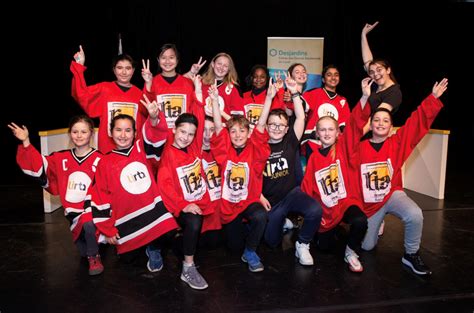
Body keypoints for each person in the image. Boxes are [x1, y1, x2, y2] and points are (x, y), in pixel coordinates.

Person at [357, 78, 448, 276]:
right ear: (370, 125)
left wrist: (432, 98)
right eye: (377, 120)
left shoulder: (397, 143)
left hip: (392, 194)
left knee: (414, 214)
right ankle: (378, 221)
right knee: (366, 247)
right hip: (370, 203)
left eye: (386, 121)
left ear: (391, 127)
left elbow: (416, 123)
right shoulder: (359, 149)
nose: (381, 123)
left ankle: (411, 254)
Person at [87, 97, 178, 272]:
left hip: (152, 212)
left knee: (168, 231)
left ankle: (153, 248)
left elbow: (155, 137)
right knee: (128, 259)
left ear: (135, 133)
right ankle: (142, 244)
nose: (123, 135)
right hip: (126, 219)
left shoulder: (141, 148)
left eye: (128, 130)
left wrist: (153, 118)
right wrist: (108, 228)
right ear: (110, 132)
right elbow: (100, 196)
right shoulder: (104, 162)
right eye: (118, 130)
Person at [9, 116, 104, 276]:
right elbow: (40, 166)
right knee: (82, 250)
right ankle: (90, 242)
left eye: (83, 132)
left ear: (91, 134)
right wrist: (26, 142)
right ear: (69, 134)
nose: (79, 135)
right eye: (75, 132)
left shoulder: (100, 159)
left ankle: (94, 256)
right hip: (73, 214)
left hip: (92, 210)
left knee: (89, 225)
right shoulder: (61, 158)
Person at [301, 78, 372, 272]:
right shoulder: (314, 158)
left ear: (337, 132)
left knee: (359, 221)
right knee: (324, 247)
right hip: (326, 209)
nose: (326, 133)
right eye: (322, 130)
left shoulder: (344, 147)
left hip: (345, 202)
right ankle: (328, 231)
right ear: (316, 133)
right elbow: (308, 188)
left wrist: (365, 97)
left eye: (330, 129)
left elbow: (356, 123)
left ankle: (351, 251)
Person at [156, 76, 215, 289]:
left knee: (211, 237)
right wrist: (184, 205)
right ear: (174, 130)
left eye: (190, 134)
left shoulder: (193, 146)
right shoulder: (169, 154)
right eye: (182, 132)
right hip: (176, 204)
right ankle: (188, 268)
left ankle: (176, 244)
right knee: (193, 221)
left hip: (195, 200)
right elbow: (166, 187)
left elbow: (198, 116)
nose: (186, 137)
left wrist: (198, 90)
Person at [209, 78, 273, 272]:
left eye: (242, 131)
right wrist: (214, 100)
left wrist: (269, 98)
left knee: (261, 215)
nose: (237, 135)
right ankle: (243, 235)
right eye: (233, 132)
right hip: (228, 206)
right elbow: (219, 128)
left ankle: (251, 251)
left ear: (248, 133)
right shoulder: (224, 152)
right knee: (233, 246)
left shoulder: (255, 150)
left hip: (248, 201)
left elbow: (261, 125)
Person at [260, 75, 323, 266]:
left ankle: (302, 245)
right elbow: (260, 124)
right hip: (272, 203)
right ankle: (284, 222)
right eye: (273, 125)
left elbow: (302, 116)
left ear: (287, 128)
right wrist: (269, 99)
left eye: (281, 125)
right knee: (271, 242)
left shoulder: (291, 141)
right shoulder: (259, 144)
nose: (276, 128)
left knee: (314, 209)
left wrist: (295, 92)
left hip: (291, 194)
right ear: (267, 127)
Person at [71, 45, 148, 153]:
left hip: (133, 150)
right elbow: (81, 94)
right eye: (120, 68)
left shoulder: (140, 94)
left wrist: (149, 84)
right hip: (108, 148)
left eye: (128, 68)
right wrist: (79, 66)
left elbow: (150, 121)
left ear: (133, 70)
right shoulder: (104, 89)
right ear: (114, 70)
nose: (124, 72)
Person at [141, 43, 199, 130]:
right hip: (159, 135)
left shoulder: (188, 83)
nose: (167, 61)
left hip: (182, 136)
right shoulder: (152, 82)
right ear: (158, 60)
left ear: (177, 60)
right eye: (163, 58)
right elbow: (145, 111)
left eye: (171, 58)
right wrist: (148, 82)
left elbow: (194, 111)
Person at [301, 64, 351, 148]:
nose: (333, 77)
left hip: (334, 145)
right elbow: (297, 108)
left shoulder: (342, 100)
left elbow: (344, 125)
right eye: (329, 75)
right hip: (313, 142)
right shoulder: (312, 94)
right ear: (323, 79)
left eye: (336, 75)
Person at [201, 52, 244, 120]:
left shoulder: (233, 89)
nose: (221, 68)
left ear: (229, 69)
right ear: (213, 64)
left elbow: (238, 120)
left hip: (223, 129)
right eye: (219, 64)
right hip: (204, 128)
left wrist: (223, 123)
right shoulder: (201, 84)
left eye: (225, 66)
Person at [242, 64, 285, 129]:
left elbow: (280, 110)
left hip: (265, 136)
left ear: (267, 79)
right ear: (251, 78)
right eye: (255, 76)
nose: (258, 79)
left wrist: (280, 89)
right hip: (247, 136)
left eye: (262, 77)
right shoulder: (244, 96)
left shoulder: (271, 96)